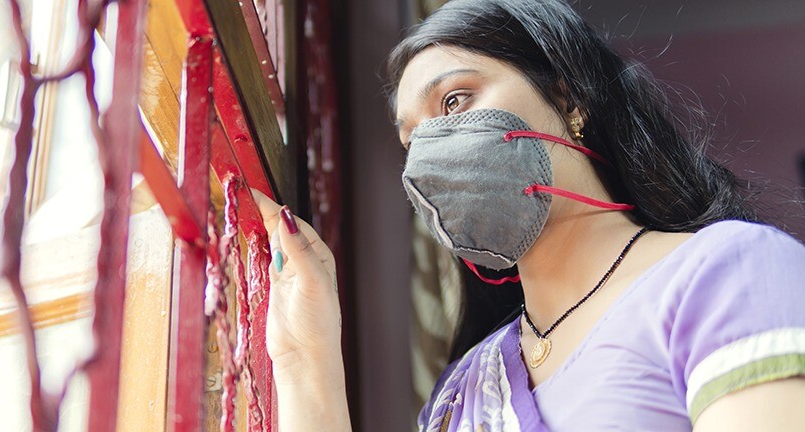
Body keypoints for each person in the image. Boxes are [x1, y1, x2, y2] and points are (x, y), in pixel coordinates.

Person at [253, 0, 805, 430]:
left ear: (569, 102)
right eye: (410, 141)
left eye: (453, 102)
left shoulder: (725, 273)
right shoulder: (462, 394)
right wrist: (308, 357)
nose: (428, 152)